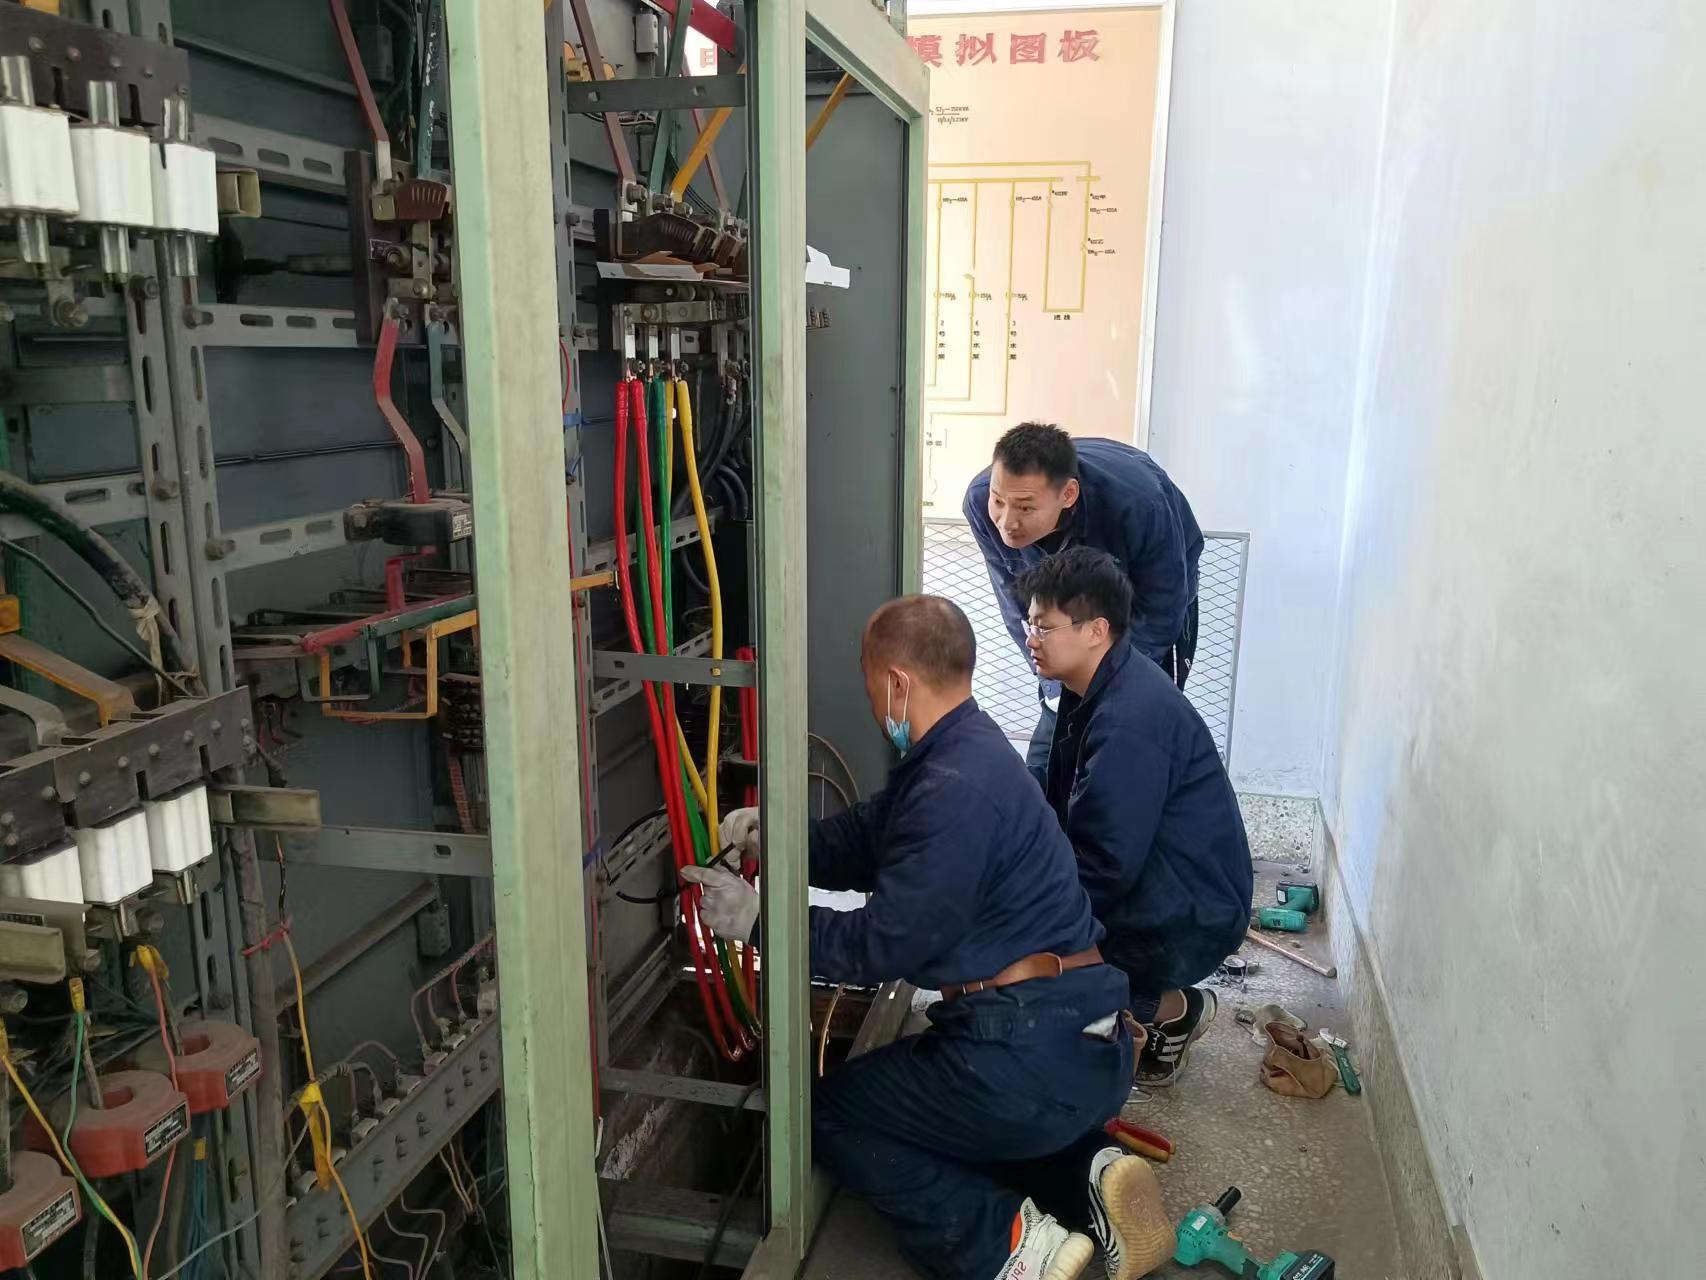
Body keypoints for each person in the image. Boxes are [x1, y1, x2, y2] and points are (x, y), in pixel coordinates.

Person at [683, 596, 1176, 1280]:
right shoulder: (966, 751)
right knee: (958, 1117)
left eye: (869, 685)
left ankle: (1004, 1244)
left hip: (1025, 1055)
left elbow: (885, 946)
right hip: (1086, 1046)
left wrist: (759, 922)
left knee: (829, 1114)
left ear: (896, 683)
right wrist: (782, 839)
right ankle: (1089, 1178)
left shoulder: (950, 790)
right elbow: (868, 839)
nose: (871, 702)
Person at [1013, 547, 1253, 1088]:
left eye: (1044, 627)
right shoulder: (1088, 690)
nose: (1031, 639)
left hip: (1189, 914)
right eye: (1030, 624)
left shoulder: (1129, 718)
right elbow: (1049, 800)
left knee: (1037, 961)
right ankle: (1141, 1007)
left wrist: (1029, 923)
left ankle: (1168, 1009)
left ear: (1096, 630)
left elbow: (1103, 867)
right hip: (1164, 883)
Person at [963, 423, 1202, 780]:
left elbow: (1160, 612)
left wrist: (1111, 687)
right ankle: (1048, 802)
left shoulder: (1139, 505)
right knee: (1059, 716)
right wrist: (1053, 679)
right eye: (999, 501)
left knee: (1134, 718)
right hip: (1069, 591)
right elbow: (1017, 605)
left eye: (1025, 507)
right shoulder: (979, 502)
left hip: (1147, 590)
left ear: (1068, 494)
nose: (1007, 522)